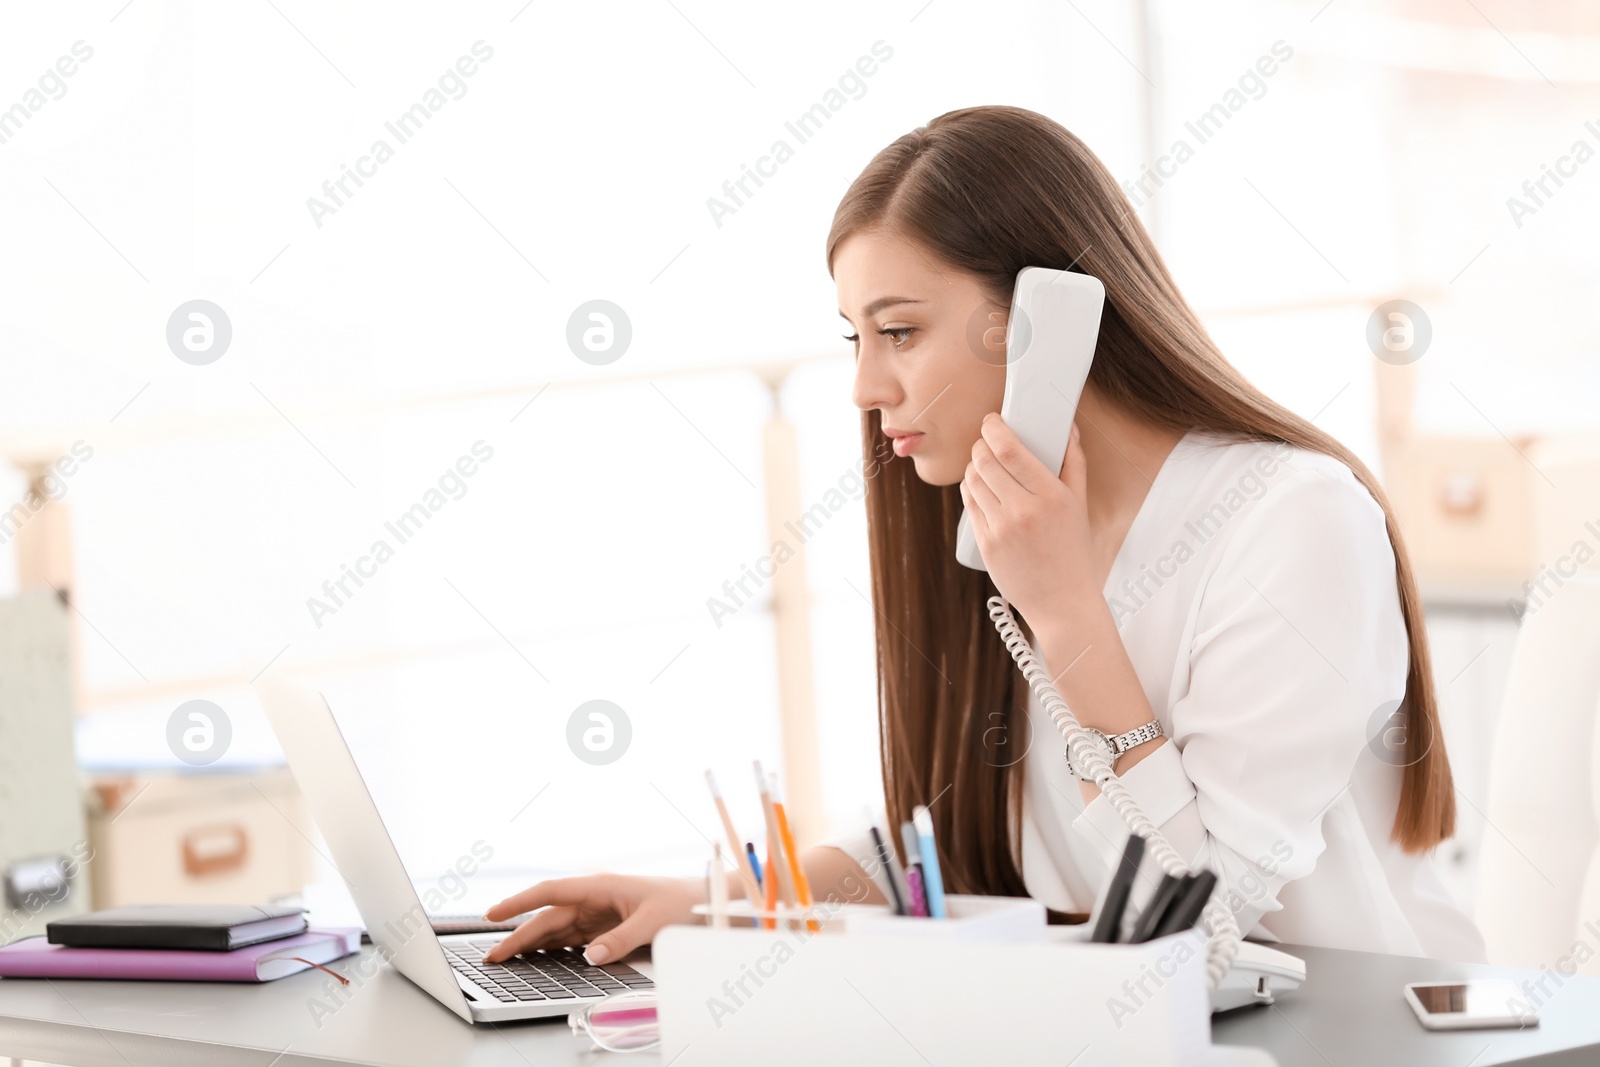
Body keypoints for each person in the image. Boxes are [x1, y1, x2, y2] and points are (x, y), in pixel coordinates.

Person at [482, 105, 1485, 968]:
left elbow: (1202, 917)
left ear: (1048, 316)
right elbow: (954, 844)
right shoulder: (993, 522)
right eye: (856, 337)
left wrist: (1066, 616)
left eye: (901, 331)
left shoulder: (1291, 521)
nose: (867, 388)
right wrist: (719, 902)